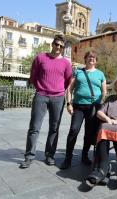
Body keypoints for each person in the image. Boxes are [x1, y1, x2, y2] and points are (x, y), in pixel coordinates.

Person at [20, 35, 72, 169]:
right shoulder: (40, 58)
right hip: (41, 96)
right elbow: (33, 75)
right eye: (57, 44)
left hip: (58, 98)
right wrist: (40, 88)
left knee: (54, 128)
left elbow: (68, 81)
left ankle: (50, 155)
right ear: (52, 44)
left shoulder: (66, 63)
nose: (58, 48)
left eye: (61, 46)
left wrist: (58, 90)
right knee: (34, 127)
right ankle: (29, 156)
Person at [60, 51, 107, 170]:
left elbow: (104, 92)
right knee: (74, 130)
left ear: (96, 60)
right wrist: (69, 104)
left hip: (93, 107)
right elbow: (69, 89)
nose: (92, 58)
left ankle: (84, 156)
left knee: (89, 133)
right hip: (78, 106)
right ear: (85, 59)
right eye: (89, 57)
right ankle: (68, 158)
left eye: (94, 57)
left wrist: (101, 104)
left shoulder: (100, 74)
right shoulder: (78, 72)